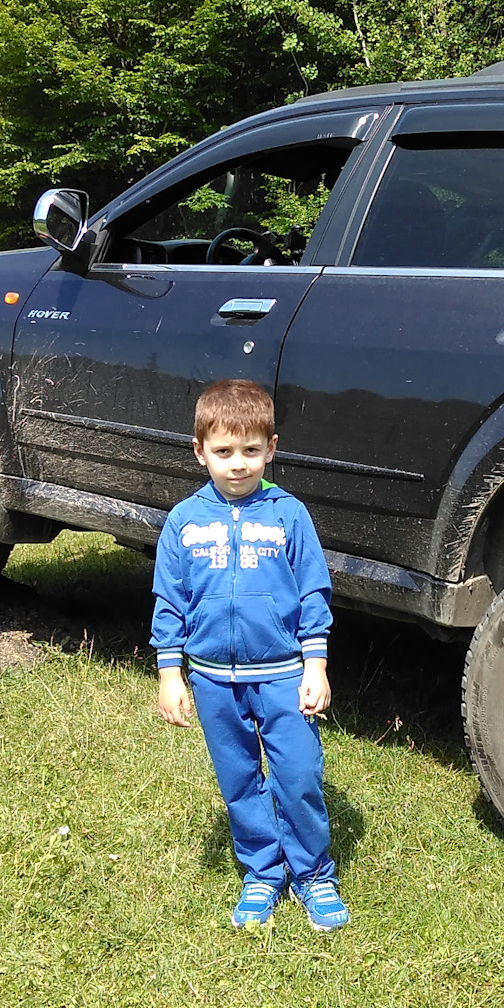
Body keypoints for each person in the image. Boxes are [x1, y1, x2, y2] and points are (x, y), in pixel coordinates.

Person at [152, 378, 349, 932]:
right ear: (199, 451)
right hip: (214, 680)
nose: (237, 465)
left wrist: (316, 665)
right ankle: (263, 870)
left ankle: (313, 874)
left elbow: (314, 592)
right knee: (238, 778)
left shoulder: (289, 516)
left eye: (250, 451)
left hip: (284, 673)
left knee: (299, 773)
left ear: (271, 448)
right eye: (223, 452)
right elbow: (170, 601)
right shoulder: (184, 523)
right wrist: (172, 674)